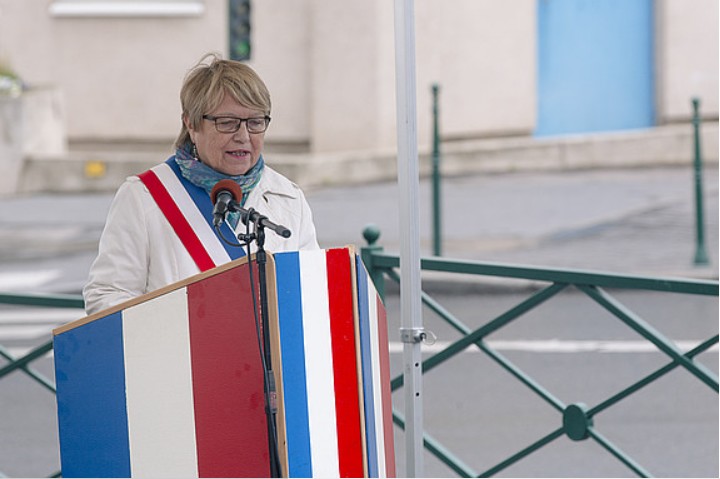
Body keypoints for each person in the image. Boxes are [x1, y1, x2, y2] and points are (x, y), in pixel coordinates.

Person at [83, 53, 319, 315]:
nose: (243, 136)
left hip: (271, 356)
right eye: (227, 123)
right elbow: (107, 295)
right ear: (191, 124)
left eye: (255, 123)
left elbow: (312, 291)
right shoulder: (144, 196)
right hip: (178, 354)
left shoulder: (287, 198)